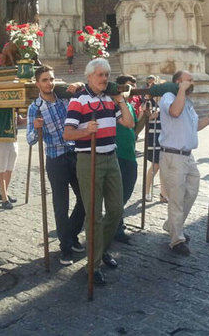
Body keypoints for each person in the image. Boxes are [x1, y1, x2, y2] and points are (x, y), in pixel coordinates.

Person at [63, 58, 134, 286]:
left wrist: (120, 100)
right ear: (89, 77)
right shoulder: (79, 100)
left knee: (115, 210)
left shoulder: (109, 101)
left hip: (110, 158)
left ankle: (101, 249)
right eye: (100, 75)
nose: (104, 79)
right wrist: (86, 131)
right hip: (88, 159)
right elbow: (68, 134)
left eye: (107, 75)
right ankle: (92, 266)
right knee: (93, 214)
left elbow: (129, 123)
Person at [27, 65, 85, 265]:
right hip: (56, 159)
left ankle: (71, 234)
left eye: (51, 79)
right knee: (61, 205)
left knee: (85, 199)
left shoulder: (66, 99)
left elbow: (85, 98)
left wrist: (79, 86)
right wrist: (36, 129)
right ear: (37, 84)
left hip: (75, 155)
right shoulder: (35, 108)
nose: (49, 83)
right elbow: (30, 139)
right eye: (44, 80)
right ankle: (66, 248)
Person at [159, 70, 209, 255]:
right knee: (176, 198)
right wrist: (181, 91)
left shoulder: (189, 102)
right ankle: (176, 239)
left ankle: (172, 225)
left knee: (191, 192)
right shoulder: (169, 97)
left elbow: (195, 127)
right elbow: (174, 112)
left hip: (187, 156)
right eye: (189, 80)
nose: (192, 82)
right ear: (178, 82)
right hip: (173, 155)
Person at [113, 75, 141, 245]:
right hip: (119, 154)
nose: (132, 90)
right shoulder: (116, 106)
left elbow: (135, 129)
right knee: (119, 193)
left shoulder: (129, 105)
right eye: (129, 86)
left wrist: (146, 116)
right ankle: (117, 226)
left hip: (130, 153)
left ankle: (116, 221)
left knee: (127, 190)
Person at [143, 97, 165, 202]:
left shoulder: (165, 103)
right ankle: (146, 191)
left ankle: (163, 194)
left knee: (164, 167)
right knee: (155, 165)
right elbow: (142, 120)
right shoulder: (148, 103)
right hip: (153, 137)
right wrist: (152, 116)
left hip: (164, 138)